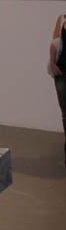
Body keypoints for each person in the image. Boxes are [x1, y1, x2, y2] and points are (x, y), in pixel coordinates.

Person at [49, 13, 66, 164]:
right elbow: (55, 43)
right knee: (65, 114)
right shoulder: (62, 19)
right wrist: (53, 63)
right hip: (61, 72)